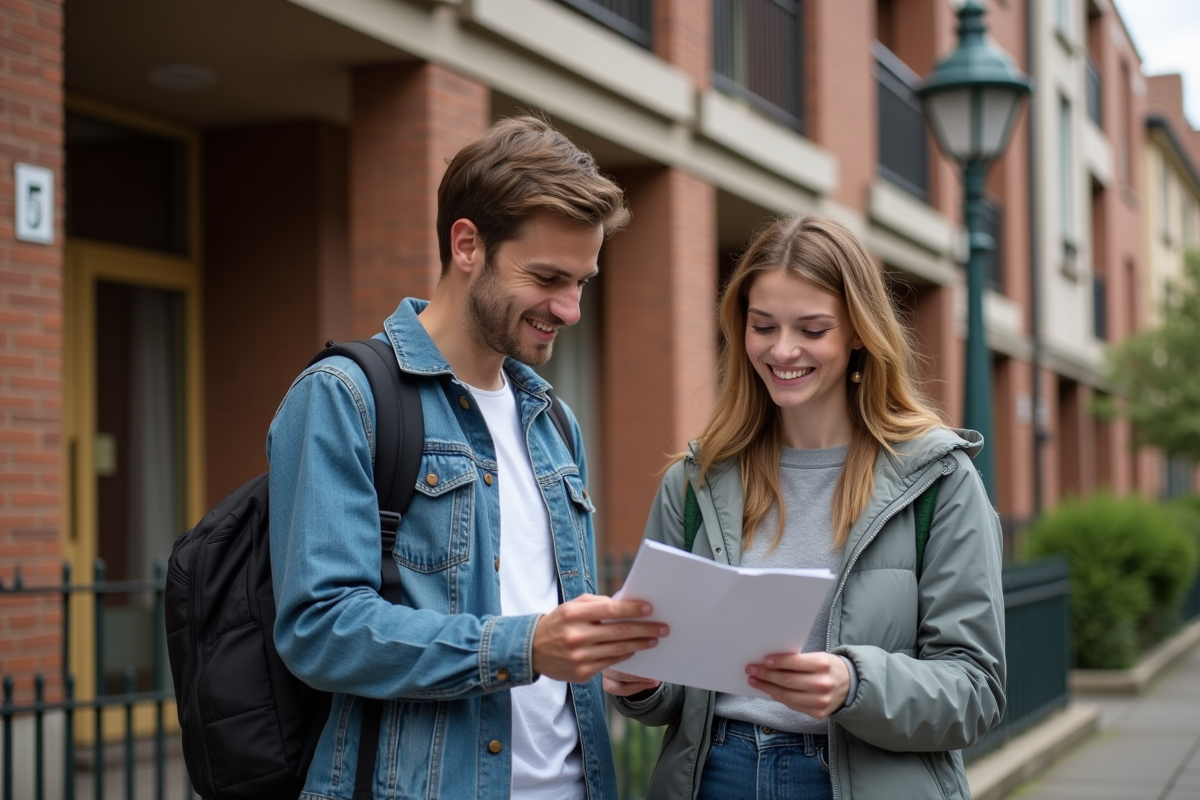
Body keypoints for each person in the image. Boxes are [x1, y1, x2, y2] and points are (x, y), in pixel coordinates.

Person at [268, 116, 668, 800]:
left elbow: (550, 632)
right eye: (547, 277)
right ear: (467, 245)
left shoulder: (555, 423)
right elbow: (319, 628)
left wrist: (618, 665)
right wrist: (521, 647)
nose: (570, 309)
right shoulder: (345, 398)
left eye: (583, 282)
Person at [605, 213, 1005, 800]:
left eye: (812, 330)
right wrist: (639, 684)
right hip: (714, 778)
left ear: (859, 333)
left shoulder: (938, 481)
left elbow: (976, 691)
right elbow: (673, 688)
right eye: (763, 326)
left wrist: (854, 683)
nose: (782, 349)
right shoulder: (695, 481)